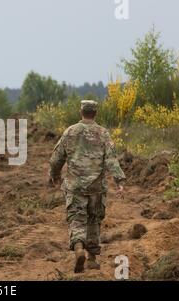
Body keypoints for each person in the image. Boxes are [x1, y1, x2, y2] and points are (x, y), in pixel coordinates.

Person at [48, 100, 126, 273]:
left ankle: (78, 248)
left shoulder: (70, 132)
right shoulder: (103, 133)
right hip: (97, 188)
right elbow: (111, 160)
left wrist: (54, 176)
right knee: (93, 220)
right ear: (95, 113)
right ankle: (91, 259)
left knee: (76, 219)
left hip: (75, 187)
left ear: (80, 112)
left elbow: (56, 159)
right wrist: (119, 181)